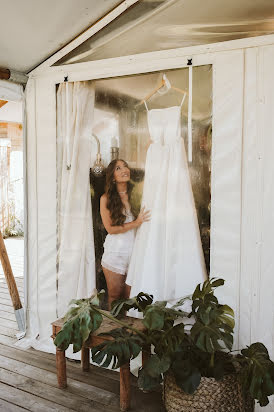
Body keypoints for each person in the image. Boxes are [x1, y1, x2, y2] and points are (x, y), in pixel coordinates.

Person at [100, 159, 150, 309]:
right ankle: (113, 331)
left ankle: (127, 332)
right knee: (115, 297)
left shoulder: (137, 195)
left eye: (125, 166)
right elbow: (110, 229)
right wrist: (136, 223)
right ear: (112, 176)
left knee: (131, 299)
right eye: (118, 168)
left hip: (136, 254)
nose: (124, 170)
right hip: (115, 254)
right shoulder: (106, 199)